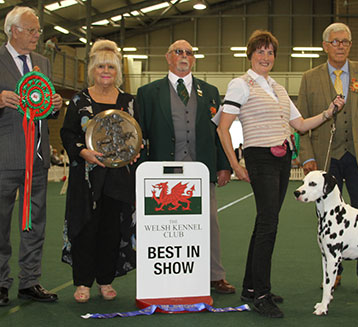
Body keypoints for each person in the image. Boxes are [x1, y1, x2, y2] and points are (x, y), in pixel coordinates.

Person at [216, 30, 345, 318]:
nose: (265, 56)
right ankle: (261, 294)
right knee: (268, 224)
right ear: (250, 54)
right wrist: (236, 165)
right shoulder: (241, 84)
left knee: (265, 221)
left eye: (270, 52)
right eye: (260, 51)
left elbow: (299, 124)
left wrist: (328, 112)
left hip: (283, 156)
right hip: (259, 156)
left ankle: (252, 287)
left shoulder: (278, 87)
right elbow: (223, 128)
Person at [136, 39, 236, 296]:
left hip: (201, 169)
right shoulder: (148, 93)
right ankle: (161, 272)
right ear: (168, 58)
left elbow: (219, 132)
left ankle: (215, 276)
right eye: (178, 52)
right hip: (161, 171)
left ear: (193, 59)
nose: (183, 56)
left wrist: (224, 165)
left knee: (210, 221)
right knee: (163, 224)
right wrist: (142, 170)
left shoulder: (211, 91)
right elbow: (140, 134)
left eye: (189, 52)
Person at [297, 22, 358, 297]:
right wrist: (307, 156)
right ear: (325, 46)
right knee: (328, 220)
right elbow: (300, 121)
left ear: (350, 44)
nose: (340, 46)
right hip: (326, 160)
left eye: (345, 41)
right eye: (334, 42)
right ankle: (333, 272)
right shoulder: (309, 78)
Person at [60, 39, 137, 303]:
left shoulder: (129, 102)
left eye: (111, 67)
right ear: (92, 69)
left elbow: (137, 135)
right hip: (87, 178)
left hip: (119, 180)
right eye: (101, 66)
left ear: (118, 71)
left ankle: (105, 280)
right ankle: (82, 282)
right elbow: (68, 134)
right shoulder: (79, 100)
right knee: (85, 229)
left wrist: (136, 151)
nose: (106, 71)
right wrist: (83, 152)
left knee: (111, 231)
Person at [0, 6, 63, 306]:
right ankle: (0, 283)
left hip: (38, 159)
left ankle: (30, 282)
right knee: (1, 223)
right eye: (32, 30)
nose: (39, 35)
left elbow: (45, 111)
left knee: (35, 223)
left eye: (38, 30)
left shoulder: (42, 63)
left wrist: (55, 104)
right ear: (14, 30)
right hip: (5, 157)